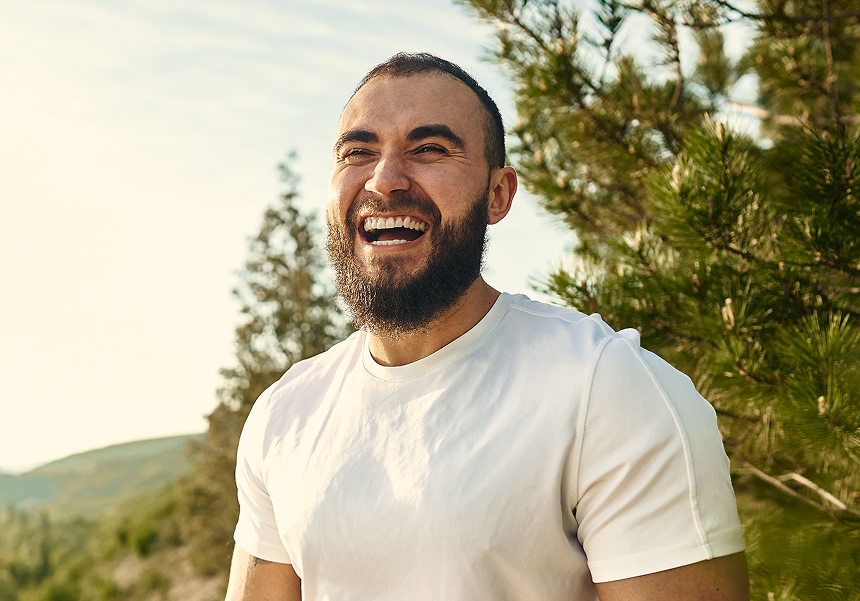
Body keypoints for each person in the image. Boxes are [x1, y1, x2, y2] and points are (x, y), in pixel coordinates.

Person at [224, 53, 749, 601]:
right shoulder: (284, 414)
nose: (385, 180)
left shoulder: (606, 387)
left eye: (429, 149)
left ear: (498, 195)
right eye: (359, 152)